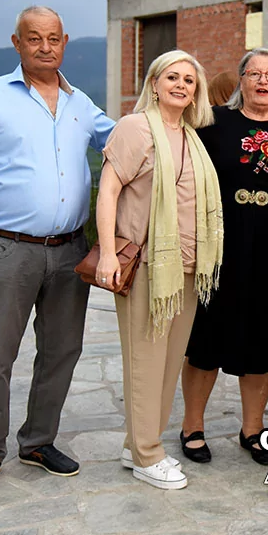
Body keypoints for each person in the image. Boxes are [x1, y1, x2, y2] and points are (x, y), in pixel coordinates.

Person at [0, 6, 114, 496]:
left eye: (53, 38)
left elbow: (125, 143)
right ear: (16, 43)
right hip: (9, 249)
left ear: (65, 42)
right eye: (34, 38)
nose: (45, 47)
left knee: (61, 351)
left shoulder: (82, 104)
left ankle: (38, 442)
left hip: (70, 251)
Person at [180, 48, 268, 465]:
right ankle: (192, 426)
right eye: (254, 73)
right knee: (205, 340)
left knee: (265, 341)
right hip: (220, 250)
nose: (263, 81)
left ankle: (253, 429)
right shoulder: (212, 122)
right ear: (240, 80)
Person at [95, 50, 222, 489]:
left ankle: (137, 444)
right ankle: (148, 454)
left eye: (189, 80)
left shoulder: (191, 136)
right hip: (147, 266)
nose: (181, 85)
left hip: (184, 267)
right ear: (154, 83)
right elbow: (108, 191)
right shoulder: (135, 128)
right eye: (172, 77)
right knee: (146, 362)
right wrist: (108, 253)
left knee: (168, 364)